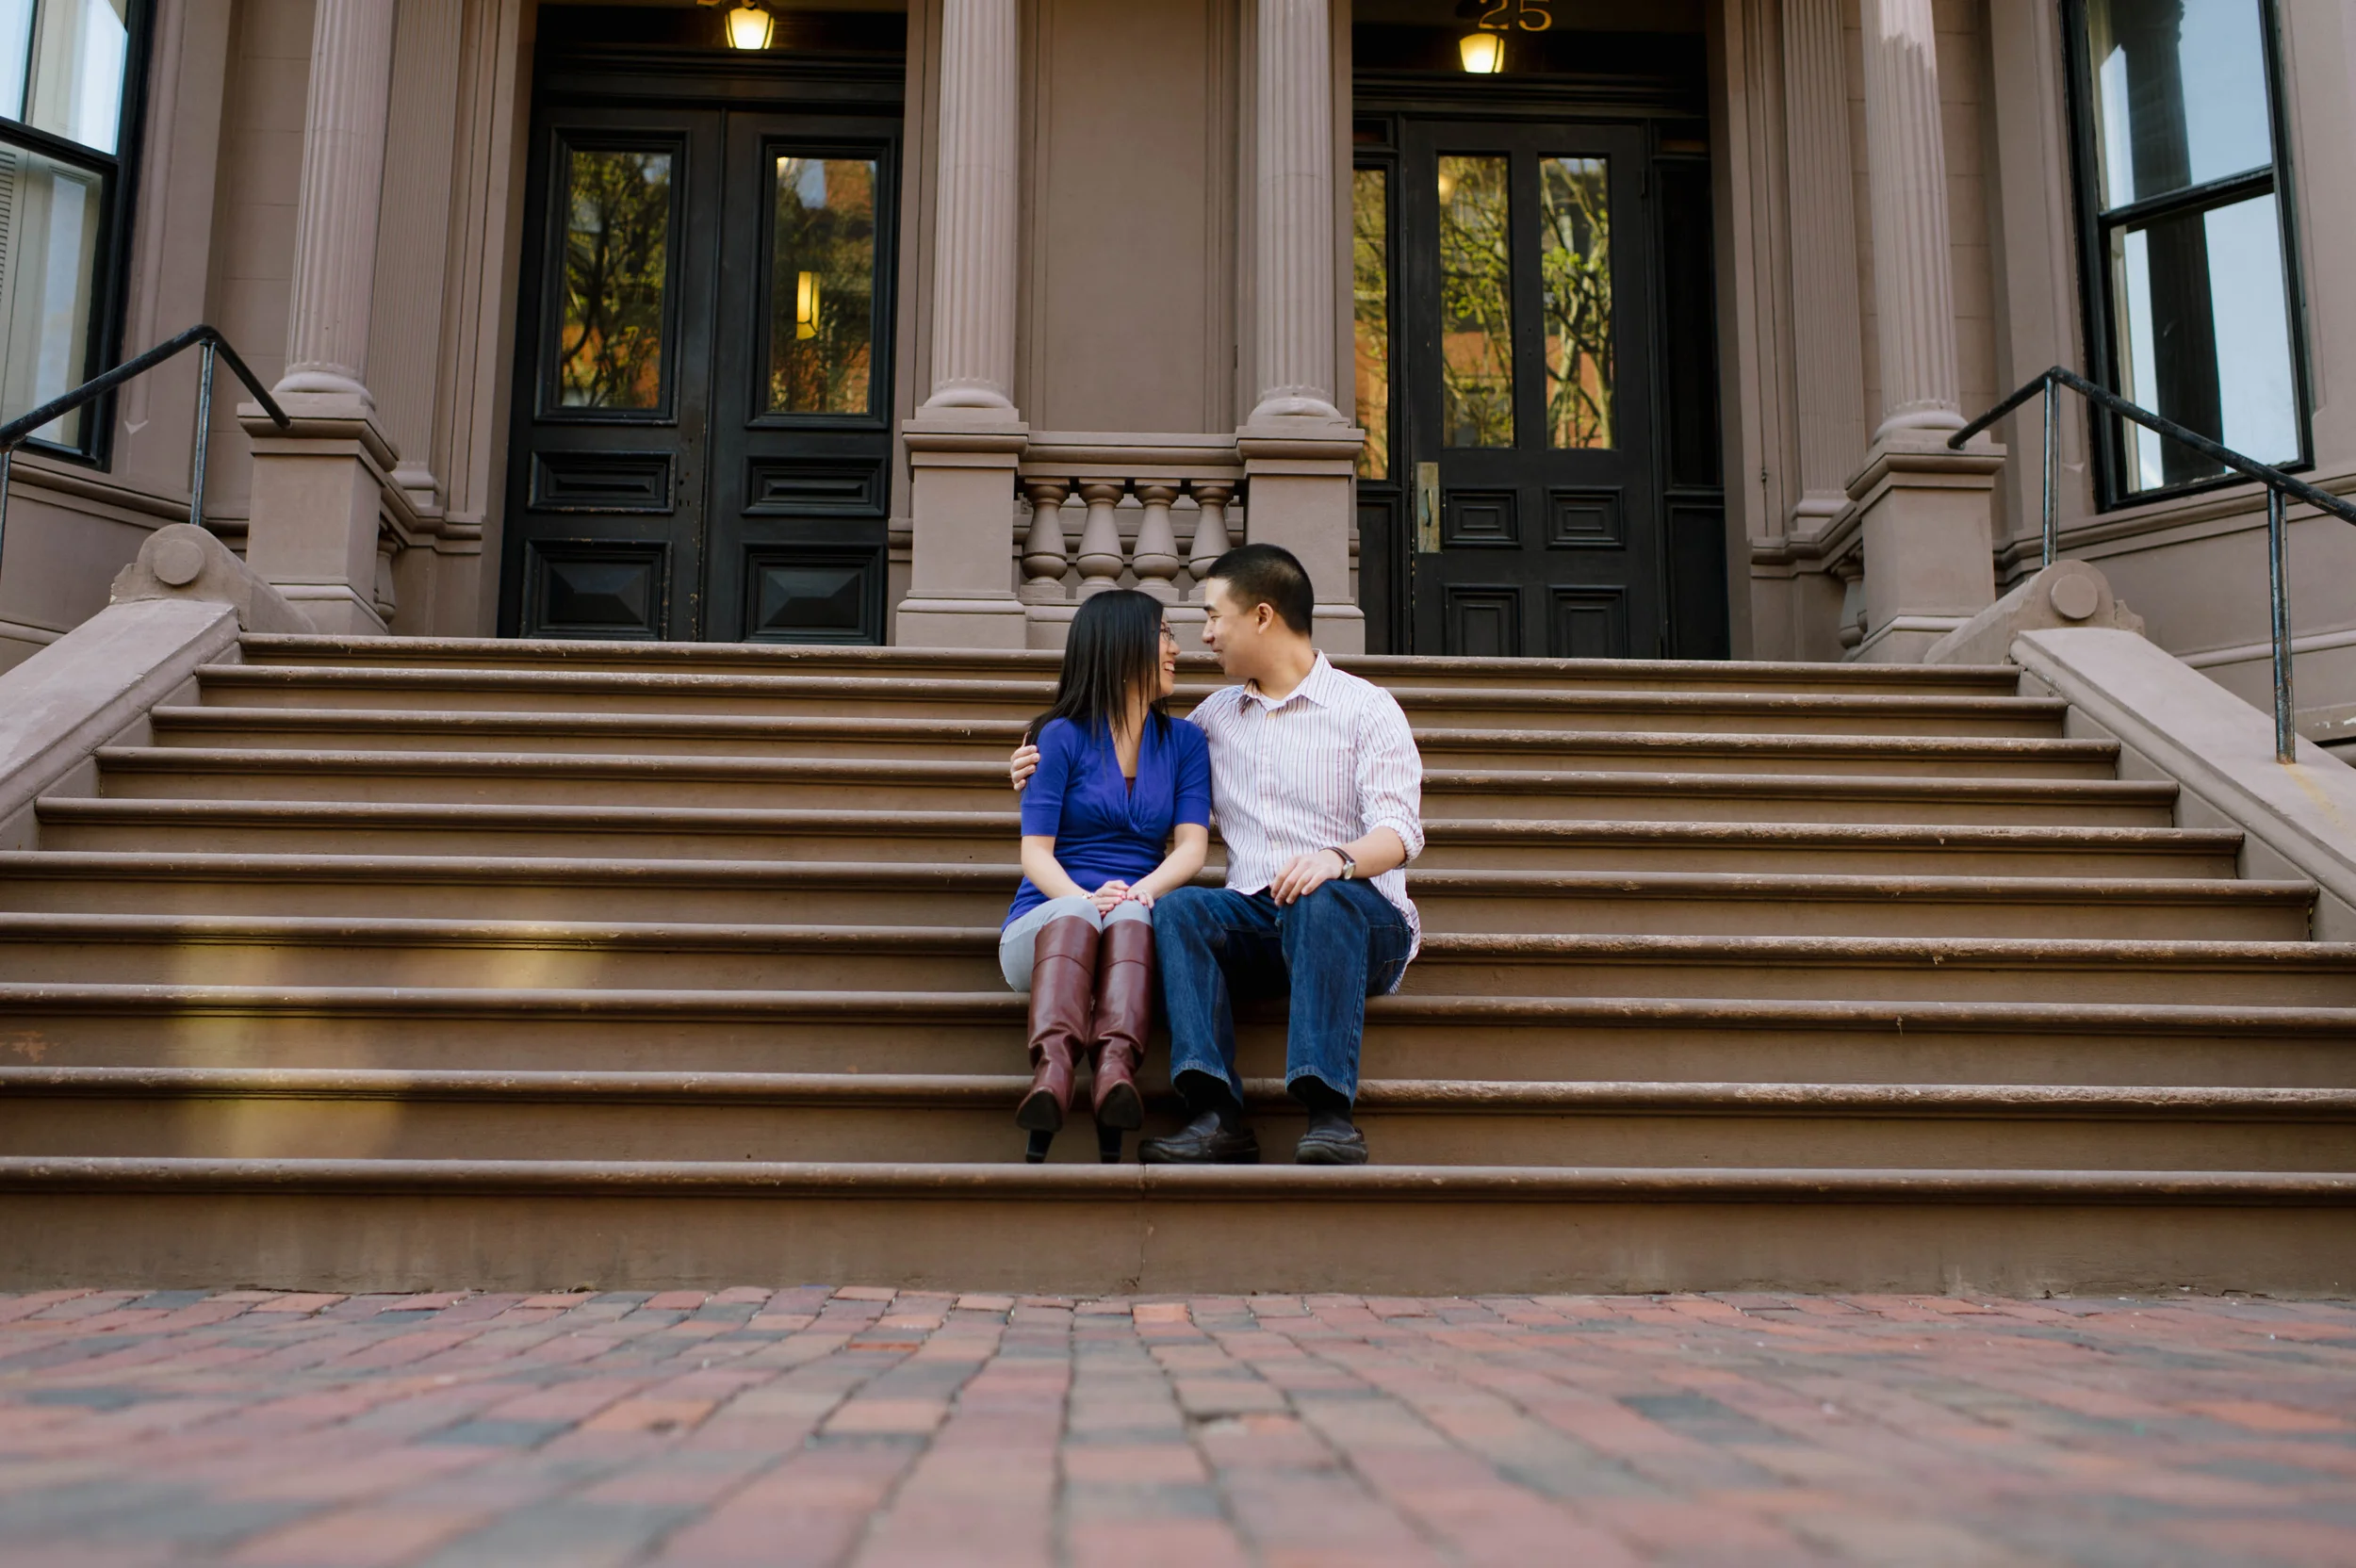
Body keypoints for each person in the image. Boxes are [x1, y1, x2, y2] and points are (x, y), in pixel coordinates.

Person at [1013, 545, 1423, 1166]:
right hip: (1258, 919)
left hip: (1362, 920)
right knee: (1179, 913)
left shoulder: (1366, 708)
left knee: (1322, 898)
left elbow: (1399, 832)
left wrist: (1336, 858)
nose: (1202, 636)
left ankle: (1330, 1113)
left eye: (1212, 617)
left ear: (1261, 616)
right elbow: (1128, 759)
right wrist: (1031, 764)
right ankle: (1214, 1113)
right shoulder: (1211, 720)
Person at [1001, 589, 1211, 1164]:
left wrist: (1142, 891)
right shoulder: (1059, 737)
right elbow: (1035, 856)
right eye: (1164, 634)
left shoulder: (1186, 742)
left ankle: (1115, 1072)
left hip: (1131, 925)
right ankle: (1054, 1071)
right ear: (1123, 646)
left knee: (1133, 915)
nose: (1177, 648)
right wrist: (1086, 899)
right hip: (1045, 925)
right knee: (1078, 913)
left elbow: (1192, 847)